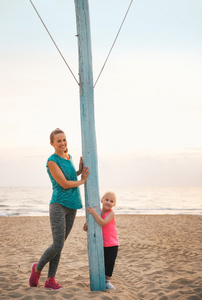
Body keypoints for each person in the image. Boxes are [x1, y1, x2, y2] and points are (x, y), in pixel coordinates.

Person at [29, 128, 90, 290]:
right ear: (52, 143)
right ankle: (37, 269)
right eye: (59, 141)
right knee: (57, 245)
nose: (62, 143)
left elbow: (69, 178)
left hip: (72, 205)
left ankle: (50, 279)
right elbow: (63, 184)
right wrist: (82, 180)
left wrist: (78, 170)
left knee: (60, 245)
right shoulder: (52, 161)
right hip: (58, 205)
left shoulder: (68, 157)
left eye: (64, 139)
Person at [83, 191, 119, 289]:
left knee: (110, 262)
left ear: (114, 204)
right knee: (101, 262)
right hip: (101, 242)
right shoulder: (98, 211)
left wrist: (94, 213)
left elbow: (102, 222)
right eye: (106, 199)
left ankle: (107, 281)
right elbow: (95, 224)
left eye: (111, 201)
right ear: (101, 200)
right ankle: (100, 279)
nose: (108, 202)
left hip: (112, 243)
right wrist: (87, 226)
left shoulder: (111, 213)